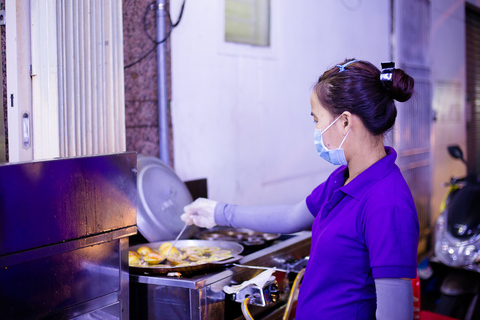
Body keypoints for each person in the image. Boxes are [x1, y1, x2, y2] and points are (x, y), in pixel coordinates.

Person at [181, 59, 419, 320]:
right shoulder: (342, 179)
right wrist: (218, 212)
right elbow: (293, 217)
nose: (316, 130)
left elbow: (396, 314)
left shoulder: (388, 203)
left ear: (344, 122)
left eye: (317, 120)